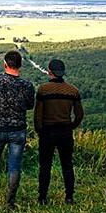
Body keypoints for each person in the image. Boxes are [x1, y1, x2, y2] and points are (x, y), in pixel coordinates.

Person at [0, 50, 35, 208]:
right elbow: (30, 106)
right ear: (20, 65)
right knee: (14, 166)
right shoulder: (27, 85)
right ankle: (10, 201)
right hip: (17, 129)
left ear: (5, 64)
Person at [34, 59, 84, 205]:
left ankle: (42, 197)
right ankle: (69, 197)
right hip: (65, 132)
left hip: (47, 132)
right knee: (67, 164)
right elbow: (79, 114)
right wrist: (71, 126)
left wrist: (39, 130)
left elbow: (38, 115)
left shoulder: (43, 89)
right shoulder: (73, 90)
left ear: (49, 71)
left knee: (45, 166)